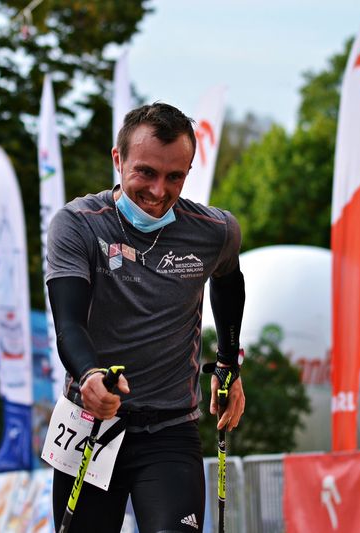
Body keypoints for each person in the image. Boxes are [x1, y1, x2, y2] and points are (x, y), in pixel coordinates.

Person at [45, 102, 246, 532]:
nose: (158, 191)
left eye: (175, 176)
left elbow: (229, 279)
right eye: (146, 172)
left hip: (170, 430)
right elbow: (69, 325)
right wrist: (89, 375)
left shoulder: (215, 231)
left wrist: (228, 365)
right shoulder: (78, 224)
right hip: (91, 422)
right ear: (118, 159)